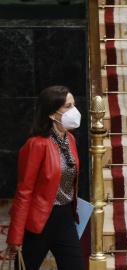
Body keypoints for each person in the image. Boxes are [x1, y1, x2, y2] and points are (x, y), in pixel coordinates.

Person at [6, 85, 84, 270]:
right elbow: (24, 192)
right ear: (51, 114)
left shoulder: (70, 140)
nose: (74, 111)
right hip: (40, 220)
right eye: (67, 106)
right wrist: (16, 235)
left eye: (74, 105)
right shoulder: (36, 145)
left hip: (65, 217)